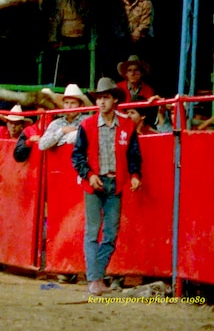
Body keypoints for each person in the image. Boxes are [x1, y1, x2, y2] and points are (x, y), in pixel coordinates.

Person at [71, 77, 141, 296]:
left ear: (114, 100)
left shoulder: (127, 127)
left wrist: (135, 174)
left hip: (115, 182)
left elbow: (133, 155)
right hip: (96, 182)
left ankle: (96, 276)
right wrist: (89, 175)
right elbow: (77, 156)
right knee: (93, 231)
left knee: (110, 233)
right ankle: (94, 278)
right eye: (99, 98)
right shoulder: (87, 125)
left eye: (106, 98)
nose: (101, 102)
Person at [38, 84, 94, 151]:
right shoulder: (56, 123)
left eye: (73, 103)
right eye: (66, 103)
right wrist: (62, 131)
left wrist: (60, 139)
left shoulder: (88, 120)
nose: (69, 106)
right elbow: (42, 145)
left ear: (81, 105)